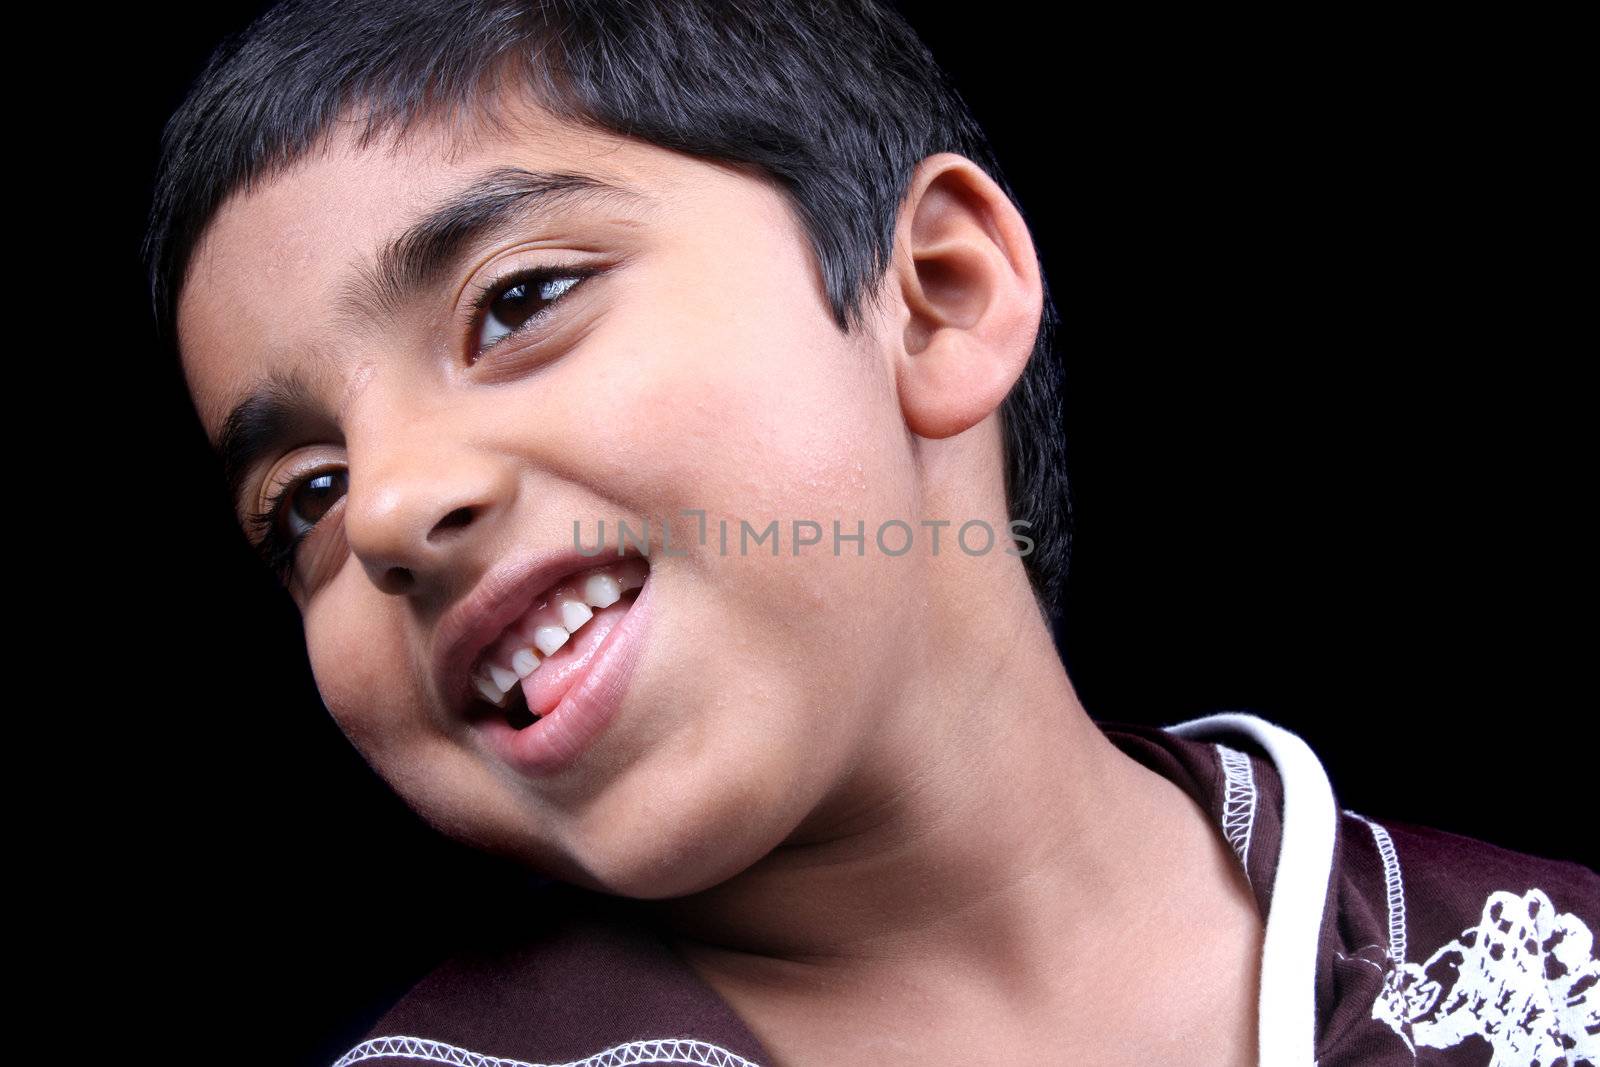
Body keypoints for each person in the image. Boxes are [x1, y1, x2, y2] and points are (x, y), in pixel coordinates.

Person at [144, 2, 1598, 1064]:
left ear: (943, 297)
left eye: (517, 302)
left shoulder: (1549, 959)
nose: (389, 507)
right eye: (305, 501)